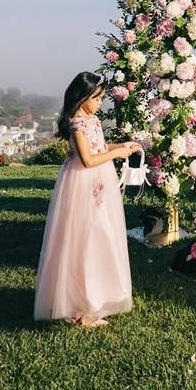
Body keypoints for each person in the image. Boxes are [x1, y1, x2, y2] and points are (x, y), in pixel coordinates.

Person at [34, 71, 139, 327]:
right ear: (82, 97)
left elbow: (99, 149)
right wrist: (117, 155)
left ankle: (95, 300)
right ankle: (80, 305)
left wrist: (121, 146)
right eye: (97, 98)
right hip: (81, 184)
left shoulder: (92, 121)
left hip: (99, 184)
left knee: (101, 234)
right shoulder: (77, 124)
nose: (100, 103)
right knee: (83, 238)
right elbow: (88, 159)